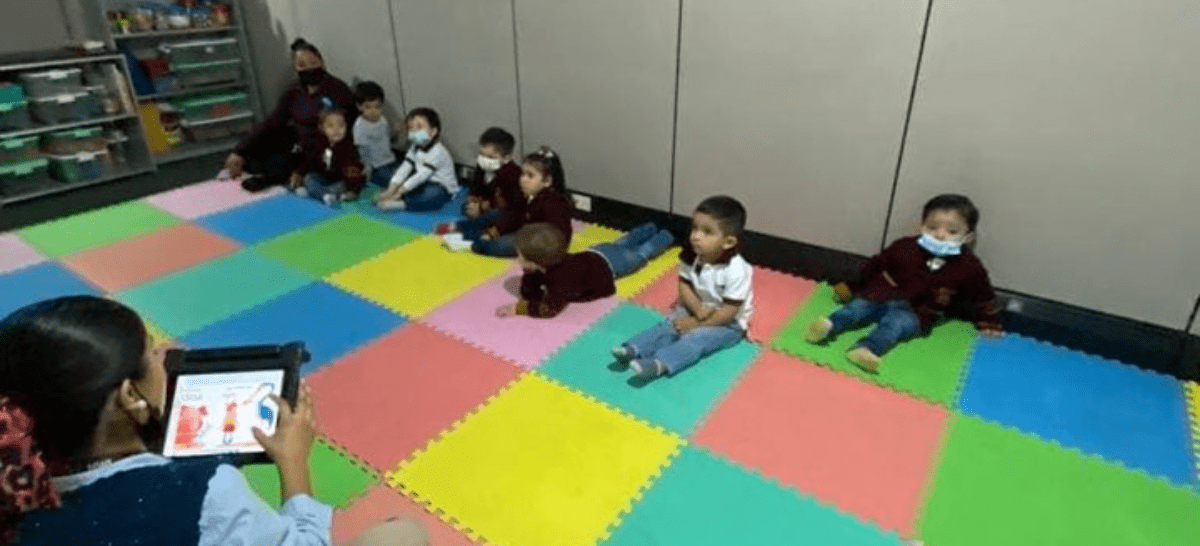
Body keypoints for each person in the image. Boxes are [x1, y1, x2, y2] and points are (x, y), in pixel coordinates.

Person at [0, 296, 428, 546]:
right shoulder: (207, 489)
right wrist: (294, 461)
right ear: (130, 396)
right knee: (404, 531)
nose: (165, 355)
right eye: (151, 353)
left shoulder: (15, 497)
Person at [806, 193, 1002, 373]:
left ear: (968, 237)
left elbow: (981, 293)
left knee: (894, 327)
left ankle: (866, 349)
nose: (940, 235)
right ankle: (828, 325)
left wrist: (989, 321)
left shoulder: (969, 266)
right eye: (933, 228)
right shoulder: (905, 247)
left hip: (917, 311)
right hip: (883, 295)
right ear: (922, 226)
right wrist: (850, 286)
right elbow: (874, 266)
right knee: (858, 307)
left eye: (952, 231)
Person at [612, 196, 753, 381]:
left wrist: (696, 323)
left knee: (697, 338)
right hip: (699, 308)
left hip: (728, 323)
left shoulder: (737, 270)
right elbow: (684, 284)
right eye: (695, 228)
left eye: (707, 232)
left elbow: (729, 311)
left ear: (728, 242)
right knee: (670, 324)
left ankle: (659, 364)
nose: (696, 235)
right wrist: (696, 309)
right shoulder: (692, 254)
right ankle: (635, 348)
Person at [222, 38, 357, 193]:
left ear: (322, 62)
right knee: (259, 150)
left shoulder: (337, 90)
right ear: (295, 67)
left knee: (298, 170)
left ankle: (283, 179)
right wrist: (239, 151)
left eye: (313, 63)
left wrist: (301, 169)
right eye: (302, 65)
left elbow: (338, 134)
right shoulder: (294, 92)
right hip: (299, 146)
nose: (309, 69)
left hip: (324, 150)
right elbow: (272, 122)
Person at [495, 221, 675, 319]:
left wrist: (520, 308)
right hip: (596, 250)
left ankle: (666, 236)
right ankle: (650, 227)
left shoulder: (560, 280)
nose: (517, 259)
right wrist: (529, 281)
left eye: (520, 256)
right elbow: (532, 286)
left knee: (641, 254)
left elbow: (549, 308)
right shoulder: (548, 263)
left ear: (535, 261)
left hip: (611, 265)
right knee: (624, 243)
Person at [443, 146, 572, 256]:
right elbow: (514, 215)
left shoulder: (554, 204)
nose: (523, 179)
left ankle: (472, 244)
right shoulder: (528, 193)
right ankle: (464, 229)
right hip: (524, 228)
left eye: (530, 176)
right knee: (498, 214)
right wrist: (496, 231)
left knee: (503, 244)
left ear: (547, 181)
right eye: (523, 174)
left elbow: (561, 236)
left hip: (537, 241)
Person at [434, 127, 521, 235]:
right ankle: (477, 223)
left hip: (502, 209)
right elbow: (475, 186)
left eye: (490, 157)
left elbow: (509, 204)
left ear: (506, 158)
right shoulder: (482, 165)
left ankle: (474, 229)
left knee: (495, 216)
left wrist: (481, 207)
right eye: (481, 154)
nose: (484, 159)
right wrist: (473, 201)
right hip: (485, 200)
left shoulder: (512, 174)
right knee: (465, 207)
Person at [374, 107, 457, 211]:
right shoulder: (415, 146)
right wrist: (392, 187)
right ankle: (395, 194)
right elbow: (405, 166)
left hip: (440, 186)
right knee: (387, 174)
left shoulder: (438, 152)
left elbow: (422, 175)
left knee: (432, 195)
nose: (414, 131)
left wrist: (400, 191)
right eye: (411, 128)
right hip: (421, 181)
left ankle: (402, 203)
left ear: (433, 131)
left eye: (419, 127)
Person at [293, 108, 365, 205]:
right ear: (322, 128)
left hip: (340, 179)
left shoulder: (347, 147)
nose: (337, 130)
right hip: (323, 176)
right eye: (331, 126)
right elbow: (309, 159)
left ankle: (325, 195)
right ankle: (322, 194)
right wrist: (299, 173)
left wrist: (354, 190)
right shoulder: (318, 142)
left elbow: (354, 171)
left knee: (341, 187)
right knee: (309, 178)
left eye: (341, 125)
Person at [351, 81, 401, 191]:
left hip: (390, 160)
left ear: (382, 105)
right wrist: (367, 170)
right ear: (359, 107)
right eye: (368, 107)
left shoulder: (382, 120)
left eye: (377, 107)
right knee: (397, 182)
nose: (373, 111)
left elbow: (387, 141)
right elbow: (363, 152)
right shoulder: (360, 126)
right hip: (376, 168)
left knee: (406, 175)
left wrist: (397, 134)